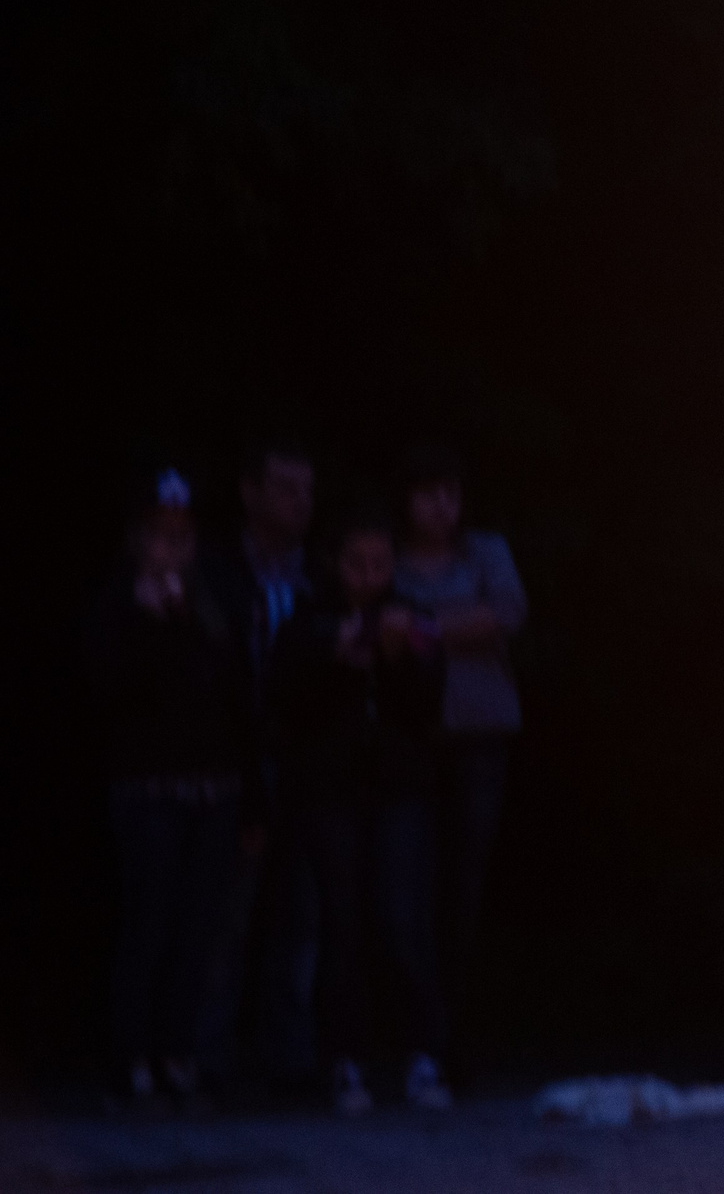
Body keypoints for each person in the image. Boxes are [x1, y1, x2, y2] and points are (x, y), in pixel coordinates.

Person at [85, 469, 258, 1110]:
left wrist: (251, 797)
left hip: (214, 791)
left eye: (182, 537)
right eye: (160, 537)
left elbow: (240, 701)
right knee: (147, 922)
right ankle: (132, 1055)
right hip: (145, 792)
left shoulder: (216, 606)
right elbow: (106, 697)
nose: (172, 550)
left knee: (197, 928)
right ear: (137, 541)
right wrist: (145, 623)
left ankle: (177, 1053)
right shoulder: (115, 606)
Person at [272, 509, 451, 1116]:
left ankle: (422, 1056)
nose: (370, 575)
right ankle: (344, 1063)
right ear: (334, 564)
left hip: (399, 790)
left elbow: (429, 708)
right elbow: (285, 701)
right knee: (340, 924)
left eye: (380, 563)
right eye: (357, 563)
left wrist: (398, 659)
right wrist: (334, 659)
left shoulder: (415, 620)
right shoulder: (306, 622)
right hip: (331, 792)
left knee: (403, 920)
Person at [391, 444, 528, 1074]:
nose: (443, 506)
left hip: (480, 733)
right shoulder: (385, 557)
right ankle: (412, 1033)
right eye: (429, 493)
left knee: (464, 888)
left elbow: (506, 614)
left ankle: (455, 1036)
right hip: (406, 735)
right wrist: (457, 622)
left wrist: (417, 627)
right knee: (406, 885)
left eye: (452, 493)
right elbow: (369, 620)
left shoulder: (486, 551)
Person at [196, 436, 321, 1092]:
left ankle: (288, 1057)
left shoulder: (320, 577)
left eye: (306, 488)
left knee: (300, 916)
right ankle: (208, 1055)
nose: (299, 501)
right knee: (228, 913)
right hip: (235, 760)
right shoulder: (216, 571)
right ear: (250, 490)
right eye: (284, 487)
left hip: (305, 765)